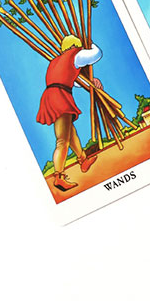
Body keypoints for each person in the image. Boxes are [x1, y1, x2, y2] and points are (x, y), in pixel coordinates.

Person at [36, 34, 102, 191]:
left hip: (52, 96)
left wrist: (90, 83)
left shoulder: (55, 62)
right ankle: (59, 177)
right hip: (60, 97)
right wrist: (91, 43)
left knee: (70, 133)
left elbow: (71, 79)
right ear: (74, 46)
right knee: (62, 141)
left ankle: (83, 160)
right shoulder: (74, 55)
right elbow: (96, 54)